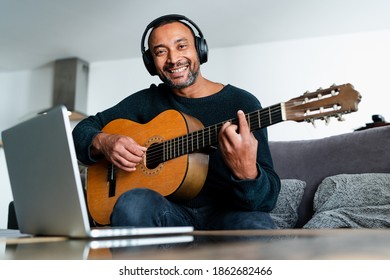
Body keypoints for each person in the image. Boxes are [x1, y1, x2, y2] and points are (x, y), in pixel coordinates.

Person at [72, 14, 281, 230]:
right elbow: (82, 131)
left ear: (200, 50)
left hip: (228, 215)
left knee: (257, 225)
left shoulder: (241, 103)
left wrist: (247, 173)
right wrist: (104, 141)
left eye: (182, 46)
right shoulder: (146, 101)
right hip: (168, 215)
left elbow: (267, 201)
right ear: (151, 63)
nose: (173, 59)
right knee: (132, 205)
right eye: (161, 52)